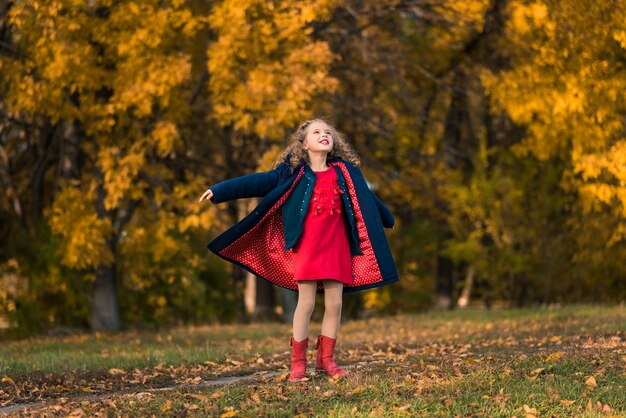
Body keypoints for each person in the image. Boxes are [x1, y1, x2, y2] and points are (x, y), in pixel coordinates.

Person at [198, 117, 398, 382]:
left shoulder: (345, 172)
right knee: (306, 303)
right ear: (304, 144)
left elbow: (367, 198)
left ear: (334, 142)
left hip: (337, 245)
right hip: (307, 246)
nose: (324, 134)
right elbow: (257, 182)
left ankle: (326, 359)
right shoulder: (292, 172)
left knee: (335, 303)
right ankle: (298, 363)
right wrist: (219, 190)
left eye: (328, 132)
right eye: (316, 132)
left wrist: (386, 218)